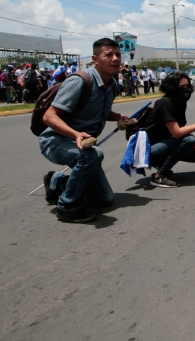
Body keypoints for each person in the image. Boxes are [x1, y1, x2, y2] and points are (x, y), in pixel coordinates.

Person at [39, 38, 129, 223]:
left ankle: (58, 182)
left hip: (83, 146)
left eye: (118, 55)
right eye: (108, 54)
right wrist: (75, 134)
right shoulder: (80, 81)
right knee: (93, 155)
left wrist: (120, 117)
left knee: (104, 200)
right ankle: (67, 207)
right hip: (56, 142)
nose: (115, 59)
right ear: (95, 59)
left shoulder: (111, 85)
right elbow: (49, 116)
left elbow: (100, 111)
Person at [142, 72, 195, 188]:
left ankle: (161, 164)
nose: (185, 91)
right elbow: (177, 134)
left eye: (187, 87)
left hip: (162, 144)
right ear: (171, 88)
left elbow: (180, 133)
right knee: (189, 140)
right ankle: (159, 176)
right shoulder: (165, 103)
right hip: (147, 151)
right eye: (181, 87)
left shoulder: (179, 104)